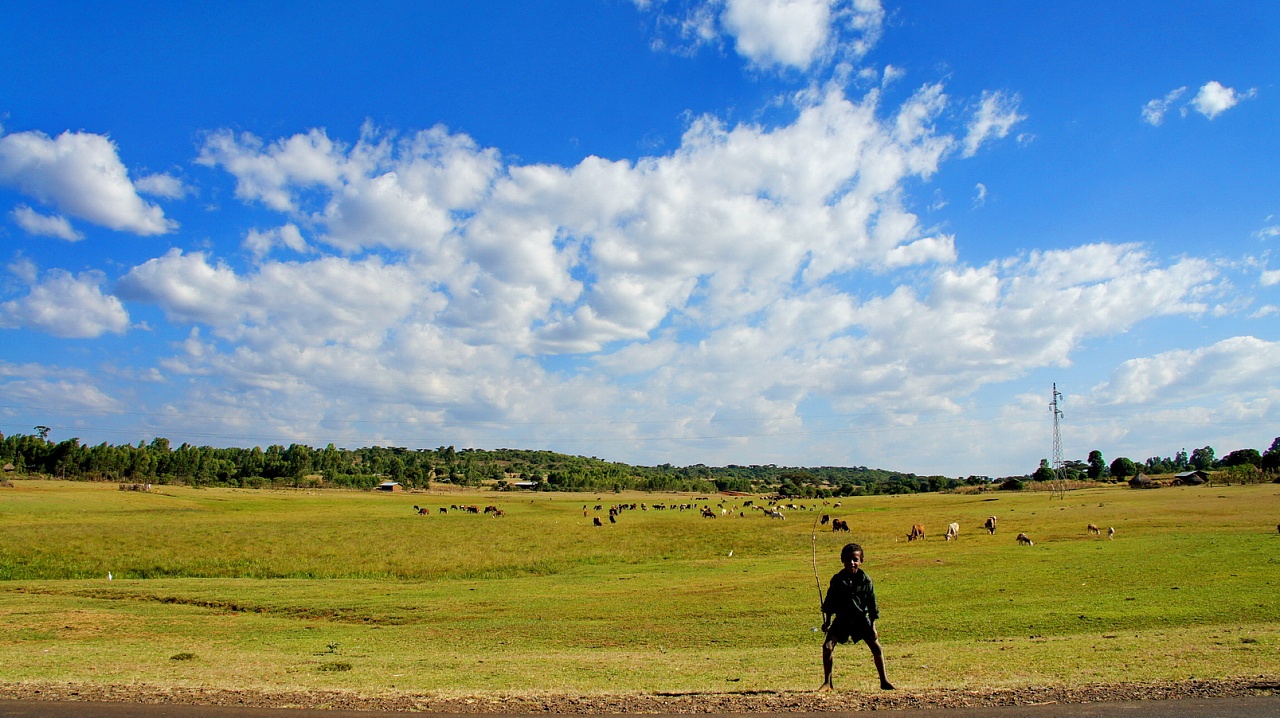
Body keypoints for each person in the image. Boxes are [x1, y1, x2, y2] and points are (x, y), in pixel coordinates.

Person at [819, 542, 893, 691]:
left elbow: (872, 606)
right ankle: (828, 682)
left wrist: (873, 627)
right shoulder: (837, 580)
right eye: (848, 560)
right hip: (842, 619)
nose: (851, 563)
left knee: (876, 647)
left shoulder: (866, 581)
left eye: (855, 560)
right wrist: (827, 622)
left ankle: (884, 681)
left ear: (861, 561)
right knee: (827, 647)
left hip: (861, 619)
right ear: (842, 560)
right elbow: (829, 602)